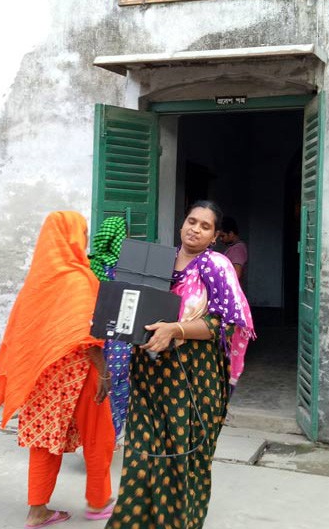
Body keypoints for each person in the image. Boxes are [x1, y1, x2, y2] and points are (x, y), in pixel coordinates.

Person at [106, 201, 255, 529]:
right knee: (142, 454)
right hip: (148, 371)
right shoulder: (158, 261)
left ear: (215, 235)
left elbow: (225, 324)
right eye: (192, 221)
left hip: (193, 376)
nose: (195, 229)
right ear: (182, 223)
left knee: (183, 458)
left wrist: (176, 329)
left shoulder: (215, 266)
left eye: (205, 226)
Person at [0, 211, 116, 528]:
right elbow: (86, 335)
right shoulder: (77, 279)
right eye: (82, 233)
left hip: (41, 374)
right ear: (72, 237)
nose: (85, 239)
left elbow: (24, 332)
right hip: (81, 372)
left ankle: (37, 510)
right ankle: (99, 502)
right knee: (100, 434)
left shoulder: (38, 281)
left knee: (45, 441)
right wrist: (105, 373)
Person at [88, 216, 131, 439]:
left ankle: (93, 438)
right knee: (120, 386)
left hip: (95, 339)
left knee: (97, 388)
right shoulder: (125, 268)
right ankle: (111, 437)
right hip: (121, 338)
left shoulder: (90, 265)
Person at [220, 216, 248, 282]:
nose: (220, 239)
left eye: (222, 236)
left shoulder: (237, 249)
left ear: (231, 234)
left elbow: (236, 274)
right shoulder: (233, 247)